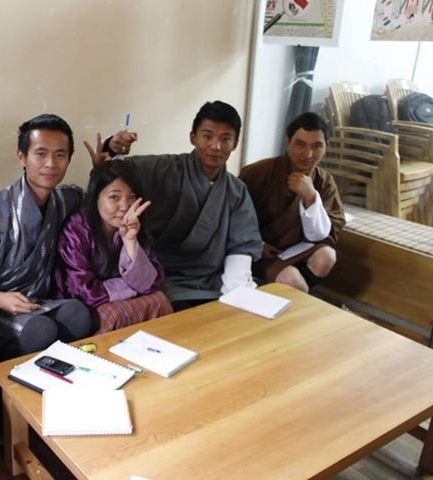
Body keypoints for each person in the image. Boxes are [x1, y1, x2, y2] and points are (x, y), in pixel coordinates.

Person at [94, 101, 262, 311]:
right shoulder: (164, 169)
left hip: (214, 279)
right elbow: (118, 174)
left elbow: (242, 246)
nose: (216, 146)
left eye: (225, 139)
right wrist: (112, 150)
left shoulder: (236, 191)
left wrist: (236, 292)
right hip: (163, 276)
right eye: (207, 136)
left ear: (235, 143)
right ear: (193, 137)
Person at [0, 114, 92, 359]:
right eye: (41, 153)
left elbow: (100, 204)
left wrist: (102, 170)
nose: (51, 164)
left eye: (60, 155)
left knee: (78, 313)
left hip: (37, 301)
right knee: (40, 329)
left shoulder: (66, 200)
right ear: (21, 156)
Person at [54, 159, 173, 333]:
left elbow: (154, 281)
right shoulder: (76, 229)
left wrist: (130, 241)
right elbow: (84, 292)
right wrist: (134, 285)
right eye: (114, 197)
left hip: (115, 298)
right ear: (95, 197)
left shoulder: (134, 224)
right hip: (83, 307)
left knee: (160, 300)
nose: (125, 206)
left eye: (131, 197)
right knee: (115, 313)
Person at [239, 112, 345, 292]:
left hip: (299, 249)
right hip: (261, 251)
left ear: (327, 146)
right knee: (292, 280)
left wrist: (311, 198)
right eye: (300, 144)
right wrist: (257, 244)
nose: (308, 154)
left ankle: (295, 292)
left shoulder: (324, 181)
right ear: (287, 143)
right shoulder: (258, 172)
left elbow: (334, 226)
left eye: (317, 146)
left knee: (326, 256)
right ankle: (296, 292)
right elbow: (233, 216)